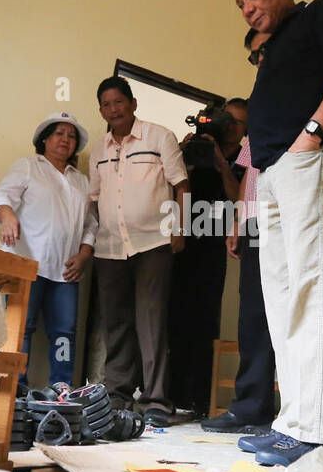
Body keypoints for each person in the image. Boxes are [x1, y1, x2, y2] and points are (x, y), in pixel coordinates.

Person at [226, 0, 323, 466]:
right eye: (240, 4)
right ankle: (294, 423)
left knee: (317, 286)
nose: (247, 9)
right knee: (282, 299)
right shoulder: (272, 51)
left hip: (312, 159)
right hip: (272, 175)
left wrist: (311, 134)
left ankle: (321, 431)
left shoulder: (321, 13)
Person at [89, 77, 190, 429]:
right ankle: (116, 394)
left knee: (151, 321)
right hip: (109, 247)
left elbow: (182, 185)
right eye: (106, 104)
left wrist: (179, 228)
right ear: (101, 110)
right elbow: (94, 199)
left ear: (133, 104)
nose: (114, 109)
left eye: (119, 102)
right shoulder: (98, 150)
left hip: (152, 243)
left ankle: (156, 399)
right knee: (115, 322)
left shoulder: (159, 136)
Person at [201, 31, 276, 435]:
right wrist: (237, 223)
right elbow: (249, 172)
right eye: (254, 58)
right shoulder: (261, 111)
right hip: (254, 226)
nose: (260, 62)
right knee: (251, 317)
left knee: (286, 315)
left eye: (263, 53)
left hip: (287, 220)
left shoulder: (295, 95)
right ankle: (251, 408)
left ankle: (292, 412)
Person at [0, 112, 96, 389]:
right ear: (45, 139)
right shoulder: (28, 166)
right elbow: (2, 196)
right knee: (20, 329)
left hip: (66, 271)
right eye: (59, 133)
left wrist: (84, 255)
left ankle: (61, 388)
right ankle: (13, 388)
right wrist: (8, 216)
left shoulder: (81, 181)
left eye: (71, 136)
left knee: (64, 334)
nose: (65, 140)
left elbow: (91, 224)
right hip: (26, 264)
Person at [168, 99, 247, 419]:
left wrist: (219, 160)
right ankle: (170, 395)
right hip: (181, 241)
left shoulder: (247, 156)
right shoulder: (196, 146)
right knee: (174, 319)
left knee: (205, 322)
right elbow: (171, 184)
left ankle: (201, 399)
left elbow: (237, 195)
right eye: (227, 118)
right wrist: (178, 152)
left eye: (238, 122)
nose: (230, 125)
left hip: (214, 245)